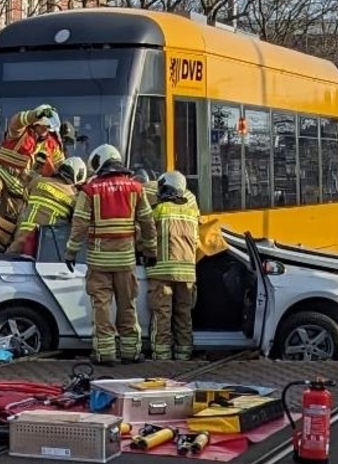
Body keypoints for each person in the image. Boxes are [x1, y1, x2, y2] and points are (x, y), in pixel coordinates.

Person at [66, 144, 157, 366]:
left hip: (99, 261)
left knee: (102, 306)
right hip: (126, 260)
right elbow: (147, 222)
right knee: (127, 305)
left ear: (100, 162)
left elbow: (79, 224)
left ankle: (105, 353)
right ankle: (130, 352)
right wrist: (150, 251)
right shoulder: (136, 188)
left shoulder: (90, 190)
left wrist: (71, 252)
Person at [0, 104, 64, 253]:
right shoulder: (19, 132)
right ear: (35, 124)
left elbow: (60, 169)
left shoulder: (52, 145)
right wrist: (35, 114)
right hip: (2, 173)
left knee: (8, 224)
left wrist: (49, 167)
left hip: (22, 188)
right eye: (43, 126)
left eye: (47, 127)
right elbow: (17, 120)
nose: (45, 130)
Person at [146, 171, 201, 361]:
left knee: (162, 314)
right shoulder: (192, 214)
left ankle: (162, 356)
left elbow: (145, 239)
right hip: (187, 274)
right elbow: (196, 242)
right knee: (184, 314)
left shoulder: (158, 210)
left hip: (161, 273)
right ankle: (184, 354)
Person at [13, 155, 87, 256]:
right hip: (46, 248)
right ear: (78, 178)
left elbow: (25, 197)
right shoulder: (73, 198)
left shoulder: (38, 181)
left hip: (20, 241)